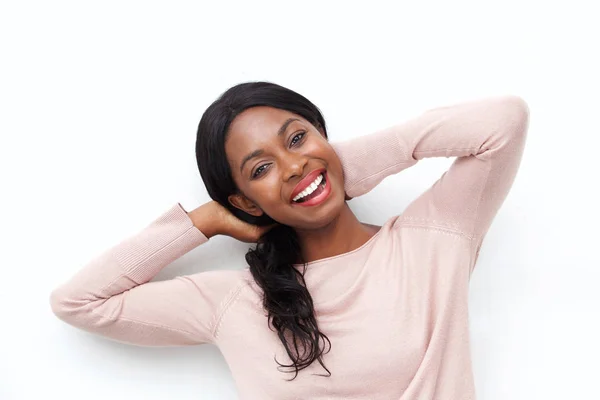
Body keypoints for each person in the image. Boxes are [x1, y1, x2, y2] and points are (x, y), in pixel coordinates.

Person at [49, 81, 530, 399]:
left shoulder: (433, 240)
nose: (292, 165)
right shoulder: (235, 301)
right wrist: (205, 221)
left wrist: (338, 168)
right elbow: (79, 302)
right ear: (247, 201)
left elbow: (504, 122)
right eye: (262, 168)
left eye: (297, 139)